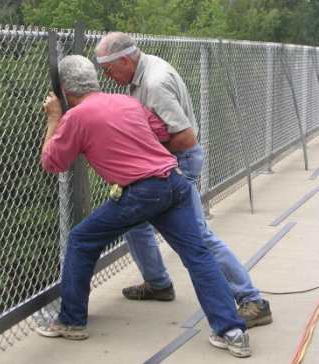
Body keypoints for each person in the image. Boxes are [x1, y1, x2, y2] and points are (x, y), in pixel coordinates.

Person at [37, 55, 251, 358]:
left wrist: (54, 118)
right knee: (198, 254)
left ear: (65, 91)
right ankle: (232, 330)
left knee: (81, 239)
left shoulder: (76, 116)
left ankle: (71, 321)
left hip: (143, 191)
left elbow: (52, 162)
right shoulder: (126, 102)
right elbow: (162, 132)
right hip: (173, 182)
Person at [94, 32, 272, 329]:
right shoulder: (143, 70)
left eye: (110, 69)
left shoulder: (154, 84)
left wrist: (143, 157)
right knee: (133, 222)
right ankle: (158, 284)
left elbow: (186, 138)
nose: (109, 77)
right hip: (161, 163)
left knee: (196, 236)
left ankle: (252, 300)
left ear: (125, 59)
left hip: (178, 164)